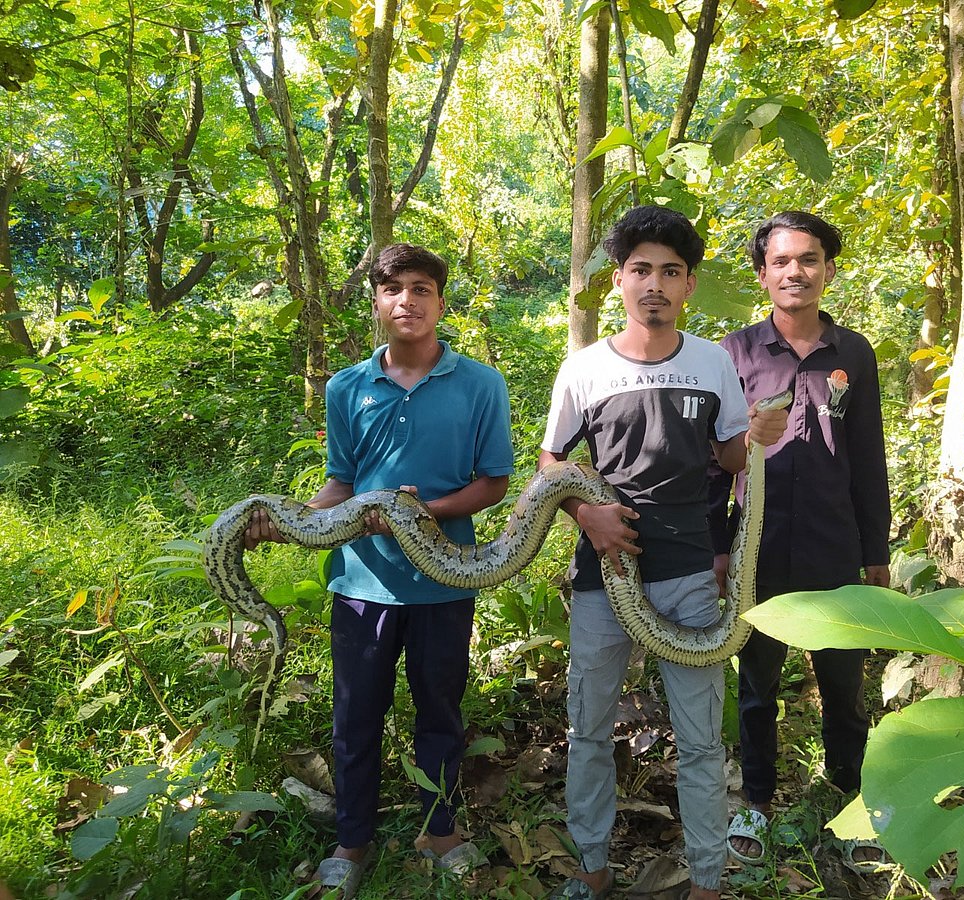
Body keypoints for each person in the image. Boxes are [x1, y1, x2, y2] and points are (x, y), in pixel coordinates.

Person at [245, 244, 514, 897]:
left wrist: (416, 513)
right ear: (375, 302)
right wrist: (290, 520)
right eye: (393, 289)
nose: (407, 301)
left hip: (445, 579)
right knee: (355, 715)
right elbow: (341, 483)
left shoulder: (480, 384)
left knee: (440, 711)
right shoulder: (346, 387)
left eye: (422, 288)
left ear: (441, 303)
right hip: (361, 584)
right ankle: (352, 839)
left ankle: (439, 829)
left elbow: (495, 483)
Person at [539, 205, 788, 900]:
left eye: (670, 272)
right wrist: (588, 515)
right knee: (587, 730)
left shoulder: (712, 363)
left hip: (688, 571)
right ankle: (592, 869)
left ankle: (706, 879)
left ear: (689, 285)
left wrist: (761, 433)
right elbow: (551, 464)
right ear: (617, 280)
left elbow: (732, 453)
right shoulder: (584, 368)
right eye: (641, 269)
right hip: (603, 573)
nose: (655, 283)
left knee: (701, 737)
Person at [709, 211, 891, 866]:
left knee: (844, 686)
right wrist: (719, 548)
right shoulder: (732, 354)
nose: (795, 272)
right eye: (781, 261)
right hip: (756, 547)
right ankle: (755, 804)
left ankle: (851, 804)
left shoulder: (855, 354)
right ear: (762, 274)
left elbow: (867, 460)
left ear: (829, 271)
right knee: (756, 687)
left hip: (836, 549)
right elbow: (714, 460)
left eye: (808, 259)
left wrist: (877, 553)